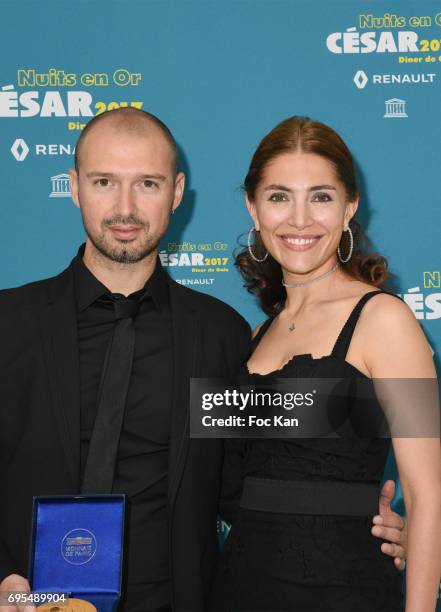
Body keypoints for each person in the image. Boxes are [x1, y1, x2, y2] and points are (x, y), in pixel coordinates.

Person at [0, 109, 406, 612]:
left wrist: (372, 522)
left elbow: (252, 482)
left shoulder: (223, 337)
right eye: (104, 181)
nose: (124, 208)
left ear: (175, 193)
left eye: (147, 183)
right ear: (74, 186)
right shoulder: (9, 324)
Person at [211, 117, 441, 611]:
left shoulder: (385, 319)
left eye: (320, 196)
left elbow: (428, 497)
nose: (299, 219)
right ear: (253, 207)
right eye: (278, 197)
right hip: (238, 588)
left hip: (345, 592)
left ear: (349, 207)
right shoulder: (253, 339)